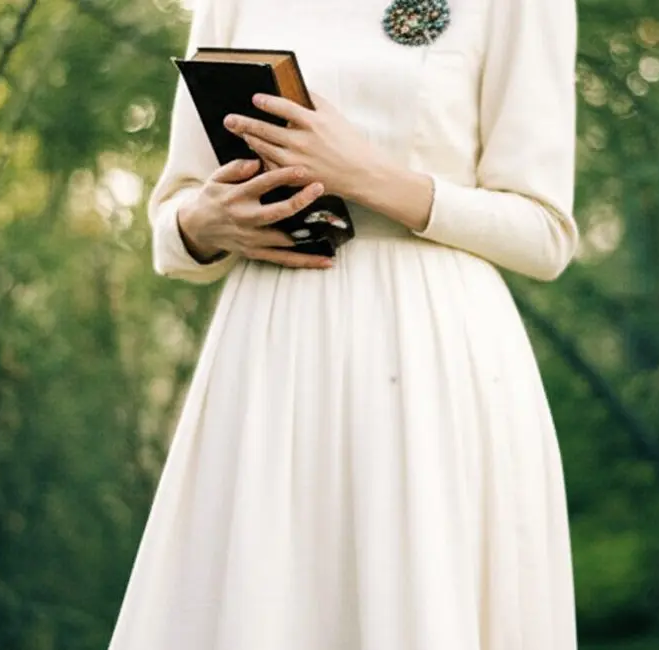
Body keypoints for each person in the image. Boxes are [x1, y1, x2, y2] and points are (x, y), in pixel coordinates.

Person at [110, 0, 580, 647]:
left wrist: (366, 176)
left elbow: (545, 232)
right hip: (267, 361)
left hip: (430, 365)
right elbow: (176, 210)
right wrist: (203, 224)